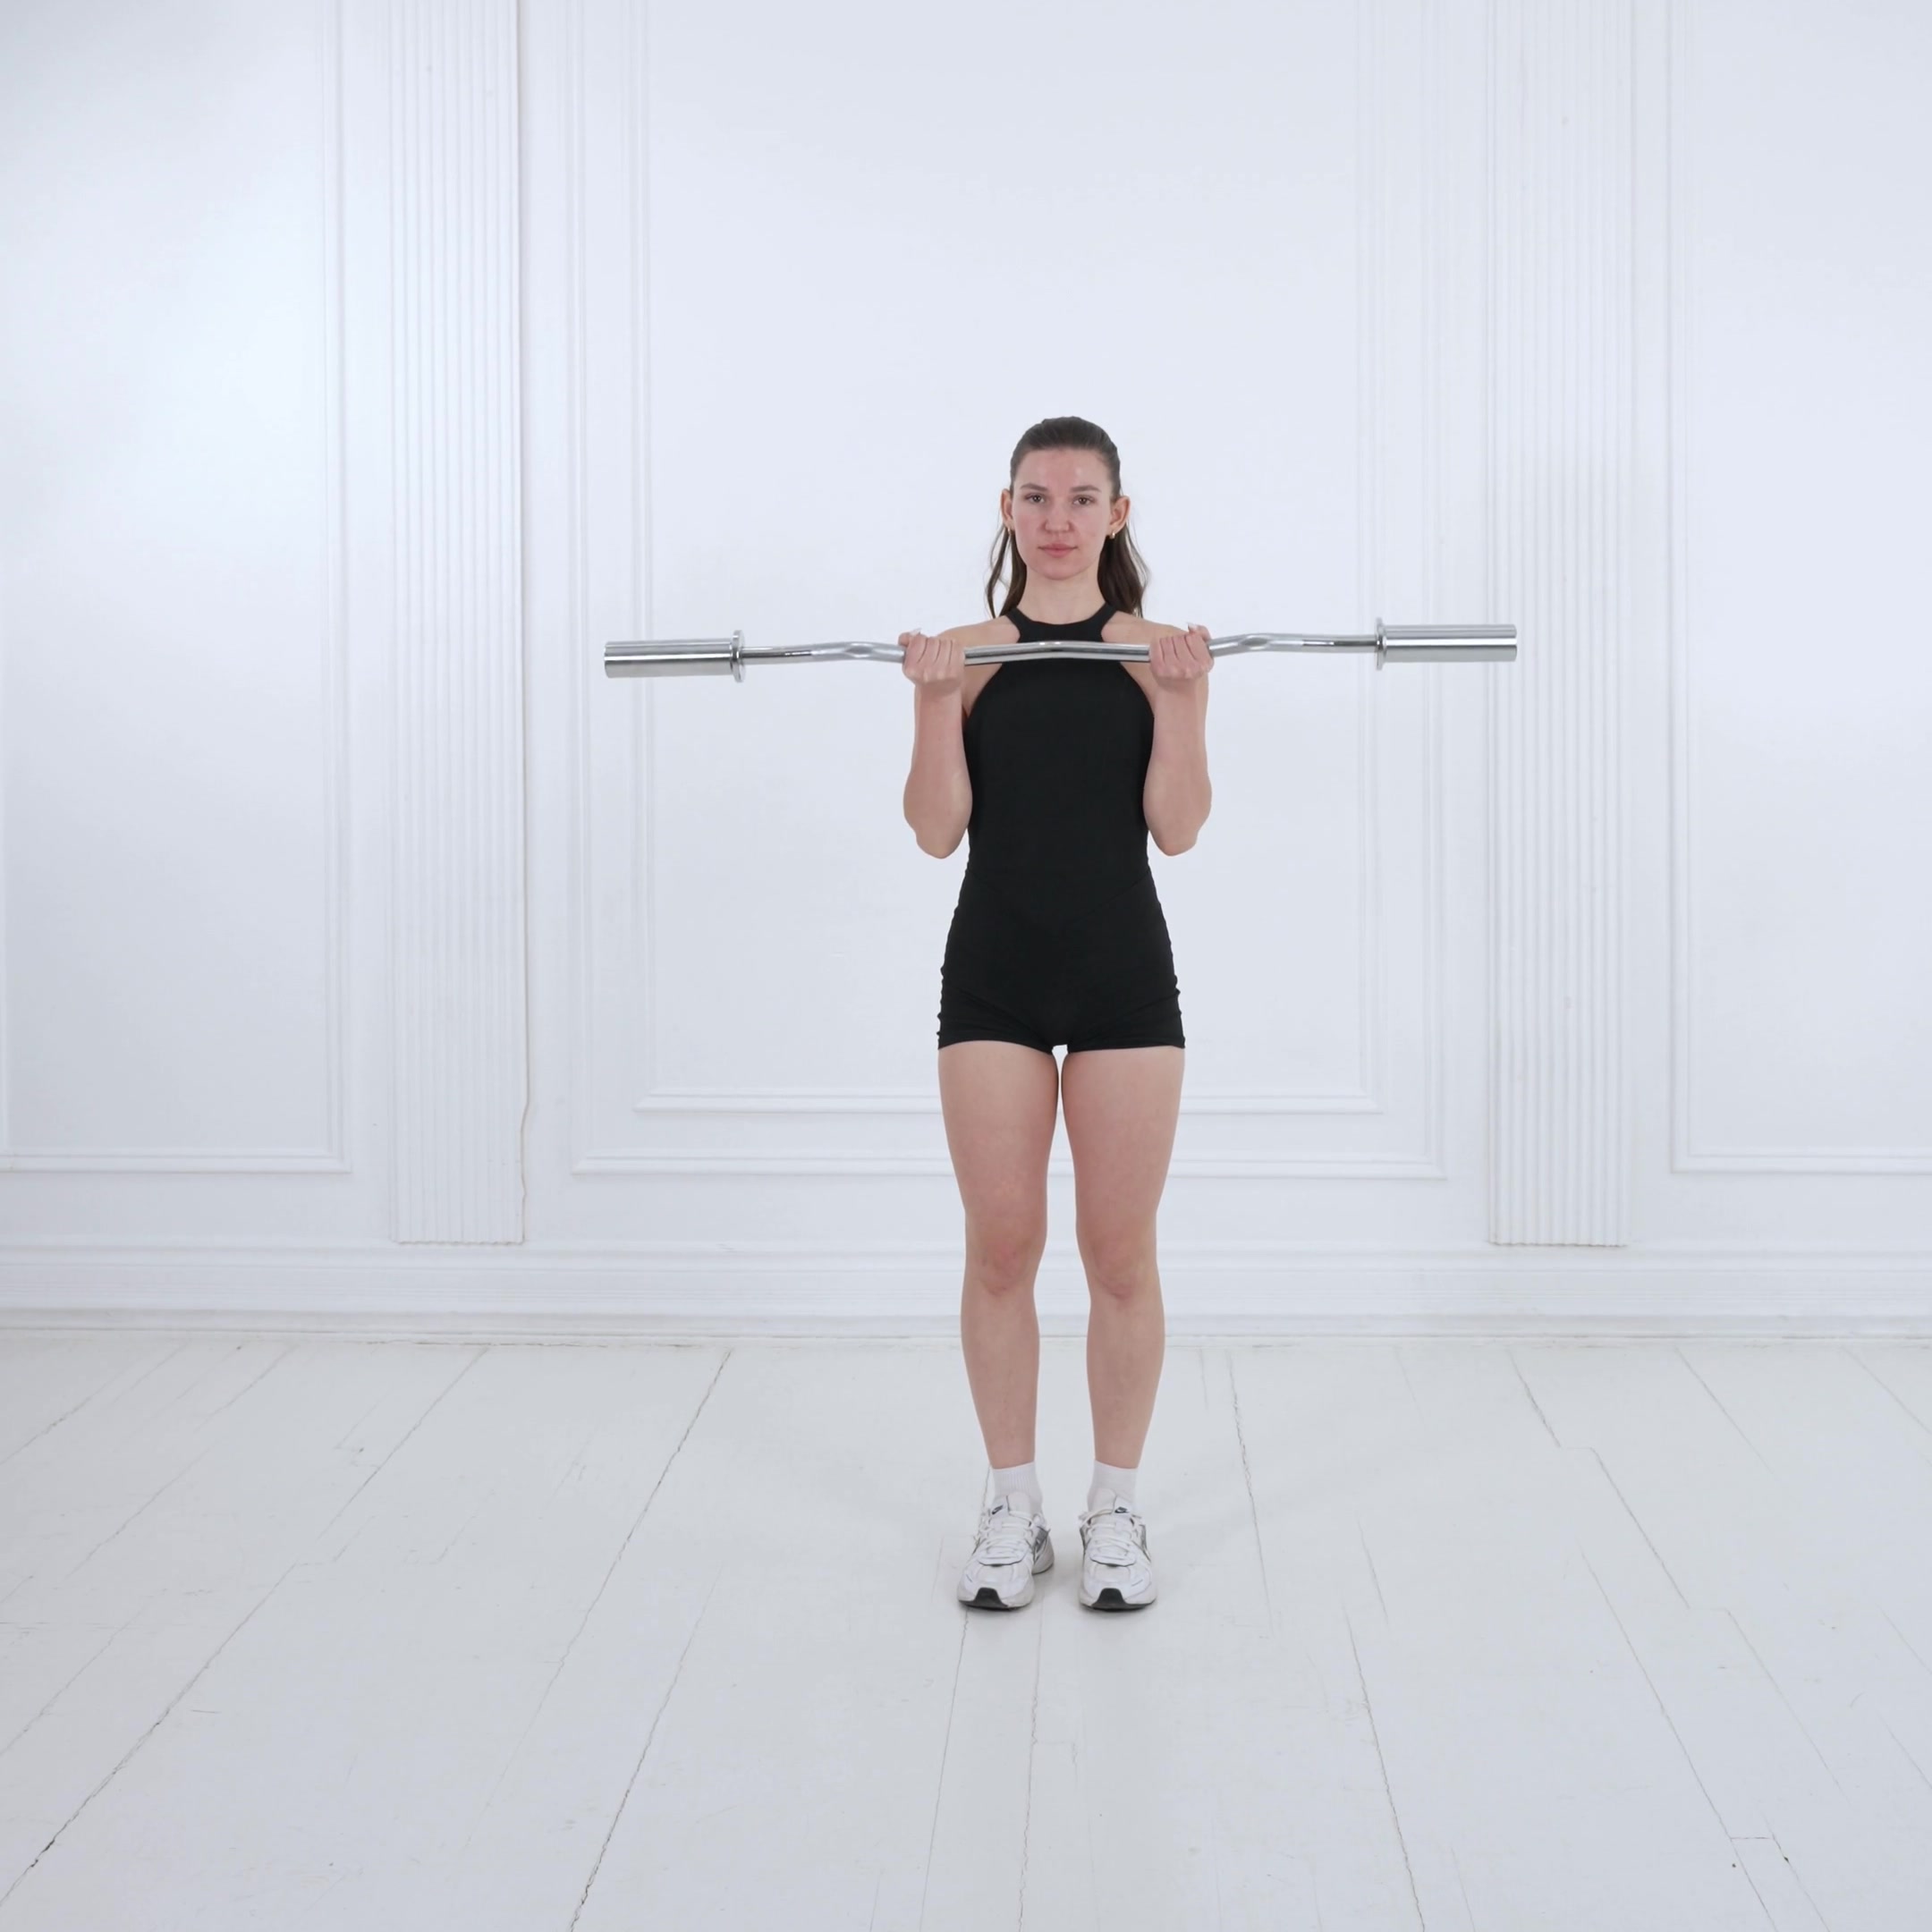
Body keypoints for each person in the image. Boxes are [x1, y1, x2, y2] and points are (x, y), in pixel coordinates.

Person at [899, 415, 1213, 1611]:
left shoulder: (1150, 653)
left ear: (1117, 515)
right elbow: (936, 830)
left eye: (1083, 499)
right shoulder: (970, 654)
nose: (1059, 519)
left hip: (1123, 972)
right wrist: (935, 703)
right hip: (996, 975)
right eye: (1036, 497)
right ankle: (1013, 1508)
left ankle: (1114, 1508)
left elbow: (1178, 827)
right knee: (1001, 1247)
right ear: (1009, 510)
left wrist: (1182, 700)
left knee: (1120, 1257)